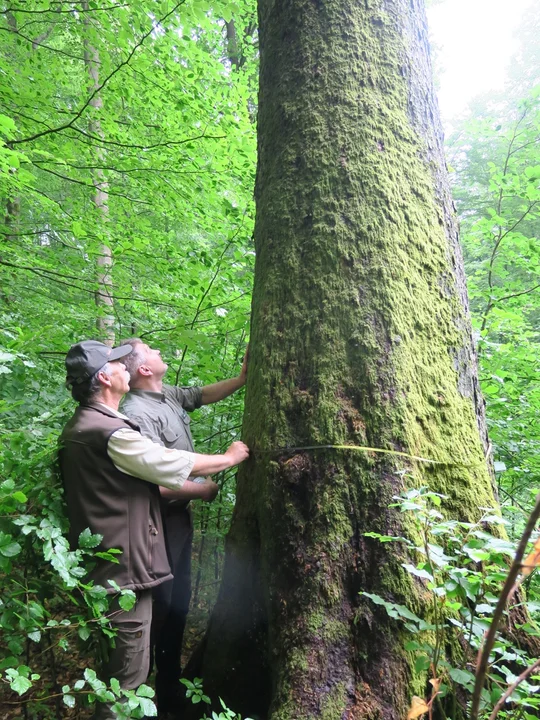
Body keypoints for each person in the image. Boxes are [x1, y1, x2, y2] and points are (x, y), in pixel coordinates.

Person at [58, 340, 249, 720]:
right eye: (116, 364)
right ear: (105, 377)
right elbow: (163, 464)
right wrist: (228, 459)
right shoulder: (109, 431)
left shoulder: (98, 424)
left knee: (130, 672)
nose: (124, 367)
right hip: (123, 570)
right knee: (125, 682)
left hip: (126, 565)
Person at [119, 339, 247, 716]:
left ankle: (168, 688)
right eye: (151, 350)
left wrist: (241, 379)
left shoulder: (164, 395)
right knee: (162, 609)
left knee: (178, 604)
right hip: (159, 526)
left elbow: (200, 395)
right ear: (144, 369)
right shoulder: (138, 412)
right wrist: (205, 487)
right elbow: (156, 482)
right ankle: (142, 694)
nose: (159, 352)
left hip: (179, 523)